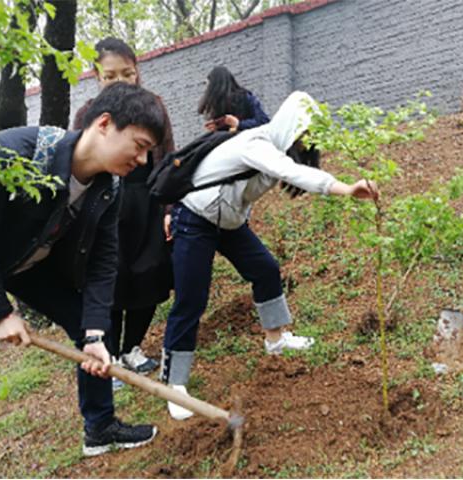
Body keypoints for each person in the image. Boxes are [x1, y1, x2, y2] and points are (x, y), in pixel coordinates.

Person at [162, 91, 379, 420]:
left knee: (265, 269)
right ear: (292, 126)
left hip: (228, 222)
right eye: (304, 133)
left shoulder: (276, 148)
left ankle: (276, 340)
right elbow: (293, 173)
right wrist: (345, 188)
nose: (307, 142)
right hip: (195, 218)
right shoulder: (259, 143)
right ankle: (173, 385)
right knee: (192, 299)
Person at [0, 82, 165, 456]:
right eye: (140, 146)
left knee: (92, 322)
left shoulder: (107, 189)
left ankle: (100, 429)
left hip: (25, 265)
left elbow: (102, 261)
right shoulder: (10, 155)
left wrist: (94, 335)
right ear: (105, 124)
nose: (142, 160)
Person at [73, 37, 175, 374]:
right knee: (111, 280)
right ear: (96, 76)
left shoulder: (154, 107)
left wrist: (169, 208)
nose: (120, 82)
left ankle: (133, 347)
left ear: (138, 71)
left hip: (147, 204)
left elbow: (168, 160)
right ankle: (111, 354)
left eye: (127, 74)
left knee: (149, 276)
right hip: (106, 208)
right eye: (110, 76)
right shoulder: (88, 114)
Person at [198, 65, 270, 133]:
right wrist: (216, 129)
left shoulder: (245, 97)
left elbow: (264, 121)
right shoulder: (217, 105)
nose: (207, 91)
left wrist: (238, 123)